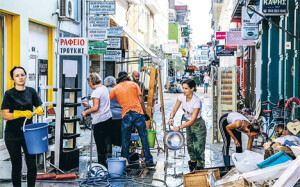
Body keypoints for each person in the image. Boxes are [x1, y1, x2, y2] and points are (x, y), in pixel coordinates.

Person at [1, 66, 44, 187]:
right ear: (12, 79)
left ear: (25, 76)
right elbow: (5, 115)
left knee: (31, 164)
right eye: (17, 76)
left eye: (22, 75)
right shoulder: (9, 94)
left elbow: (39, 106)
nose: (20, 78)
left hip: (29, 134)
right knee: (17, 165)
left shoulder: (31, 91)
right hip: (12, 134)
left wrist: (40, 109)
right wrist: (20, 113)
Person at [109, 72, 155, 167]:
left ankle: (124, 162)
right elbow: (141, 100)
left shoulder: (116, 88)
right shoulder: (134, 85)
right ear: (128, 79)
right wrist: (145, 113)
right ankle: (149, 161)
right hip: (138, 113)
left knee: (125, 139)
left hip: (126, 114)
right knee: (143, 137)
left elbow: (108, 100)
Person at [168, 79, 206, 171]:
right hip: (187, 123)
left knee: (198, 148)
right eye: (183, 88)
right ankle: (192, 166)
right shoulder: (181, 97)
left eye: (186, 88)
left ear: (192, 89)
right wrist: (171, 118)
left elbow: (192, 120)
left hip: (197, 124)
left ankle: (200, 168)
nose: (183, 90)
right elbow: (174, 110)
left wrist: (179, 127)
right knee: (190, 146)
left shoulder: (196, 101)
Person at [81, 73, 113, 166]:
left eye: (88, 83)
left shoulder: (96, 92)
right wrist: (88, 105)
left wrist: (85, 112)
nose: (89, 85)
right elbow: (101, 103)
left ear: (91, 82)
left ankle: (101, 164)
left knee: (100, 144)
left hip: (99, 121)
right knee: (107, 142)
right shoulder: (104, 88)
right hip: (108, 118)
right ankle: (107, 162)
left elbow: (96, 108)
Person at [103, 76, 122, 147]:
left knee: (108, 136)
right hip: (119, 116)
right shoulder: (117, 90)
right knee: (117, 136)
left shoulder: (103, 91)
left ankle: (108, 152)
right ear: (114, 84)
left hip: (107, 116)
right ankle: (117, 152)